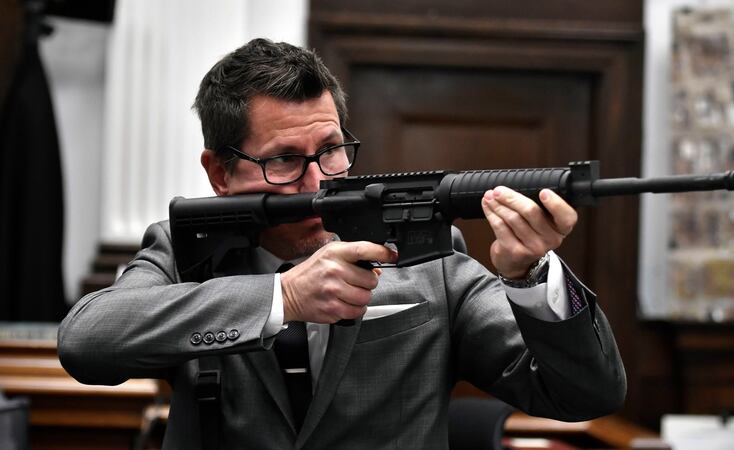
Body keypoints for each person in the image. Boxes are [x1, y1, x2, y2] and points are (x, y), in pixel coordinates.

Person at [58, 38, 625, 449]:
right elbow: (87, 342)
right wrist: (281, 298)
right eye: (284, 159)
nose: (318, 181)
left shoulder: (432, 260)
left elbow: (584, 395)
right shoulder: (187, 253)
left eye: (330, 149)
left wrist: (528, 277)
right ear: (219, 173)